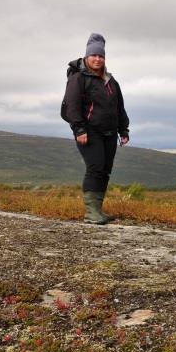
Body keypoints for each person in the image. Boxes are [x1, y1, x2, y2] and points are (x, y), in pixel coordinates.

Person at [64, 33, 130, 224]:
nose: (97, 59)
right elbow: (72, 105)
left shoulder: (111, 81)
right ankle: (91, 213)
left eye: (101, 56)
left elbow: (119, 107)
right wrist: (79, 130)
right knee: (95, 168)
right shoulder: (78, 78)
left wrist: (123, 130)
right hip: (89, 131)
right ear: (87, 56)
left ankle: (98, 211)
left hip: (109, 133)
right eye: (94, 55)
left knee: (105, 170)